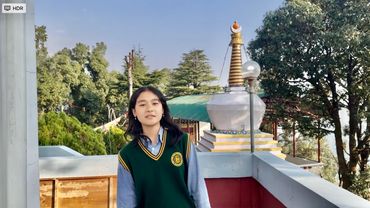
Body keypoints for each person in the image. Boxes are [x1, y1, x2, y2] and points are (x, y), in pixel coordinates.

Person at [117, 86, 211, 208]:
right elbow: (126, 203)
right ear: (134, 112)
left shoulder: (182, 142)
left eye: (155, 103)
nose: (149, 109)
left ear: (162, 109)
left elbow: (198, 189)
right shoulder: (127, 155)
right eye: (142, 104)